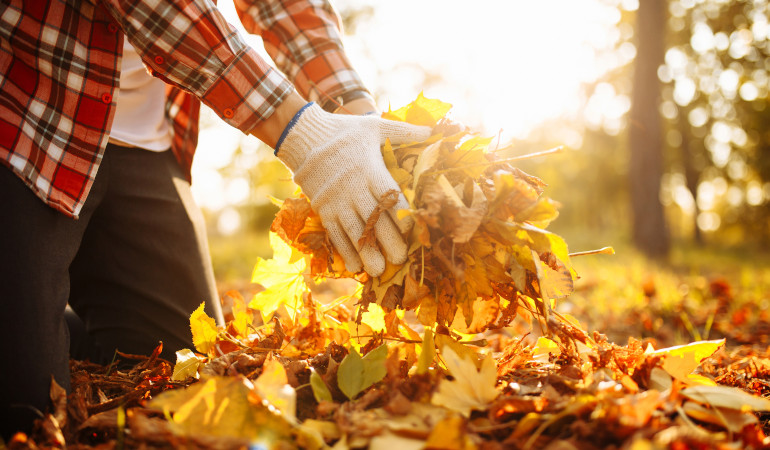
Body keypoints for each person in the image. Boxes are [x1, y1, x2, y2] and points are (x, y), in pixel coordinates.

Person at [0, 0, 430, 439]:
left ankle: (44, 317)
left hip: (143, 141)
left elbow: (284, 6)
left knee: (178, 369)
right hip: (24, 113)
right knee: (29, 415)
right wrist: (303, 134)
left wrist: (356, 118)